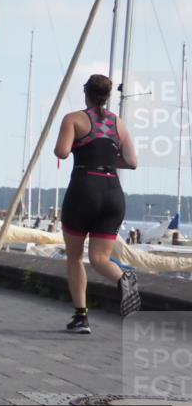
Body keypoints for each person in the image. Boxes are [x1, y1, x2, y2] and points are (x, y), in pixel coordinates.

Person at [54, 74, 140, 333]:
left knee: (74, 256)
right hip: (113, 192)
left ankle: (81, 318)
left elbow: (62, 151)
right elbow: (132, 161)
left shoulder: (74, 119)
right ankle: (124, 278)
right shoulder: (118, 124)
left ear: (86, 93)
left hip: (84, 188)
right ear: (107, 95)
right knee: (101, 258)